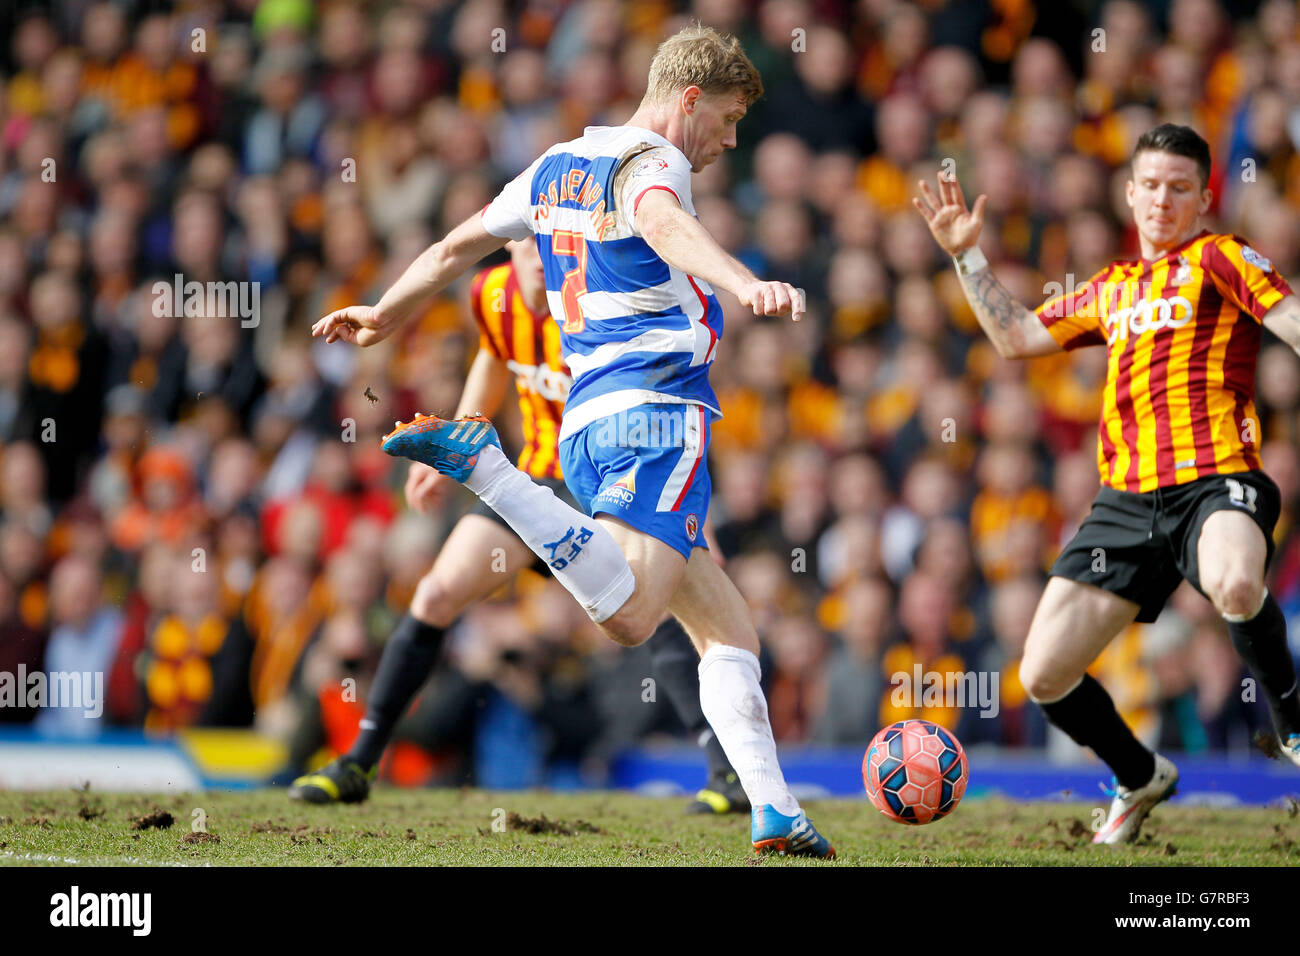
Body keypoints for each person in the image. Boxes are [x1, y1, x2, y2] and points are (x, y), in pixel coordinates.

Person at [314, 24, 834, 857]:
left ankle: (777, 814)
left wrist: (384, 312)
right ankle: (488, 470)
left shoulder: (554, 164)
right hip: (659, 410)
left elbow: (456, 247)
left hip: (585, 424)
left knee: (730, 630)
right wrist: (744, 282)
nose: (729, 141)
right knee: (632, 617)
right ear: (688, 99)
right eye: (729, 120)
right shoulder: (653, 163)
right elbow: (661, 223)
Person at [913, 123, 1300, 845]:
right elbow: (1016, 337)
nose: (1162, 200)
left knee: (1235, 583)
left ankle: (1293, 721)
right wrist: (967, 256)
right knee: (1043, 673)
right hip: (1125, 504)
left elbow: (1291, 319)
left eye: (1179, 188)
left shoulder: (1223, 257)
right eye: (1150, 185)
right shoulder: (1112, 287)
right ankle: (1137, 773)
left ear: (1202, 199)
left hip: (1216, 480)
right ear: (1130, 194)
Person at [291, 238, 750, 814]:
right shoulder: (492, 293)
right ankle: (359, 761)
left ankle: (725, 774)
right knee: (435, 594)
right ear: (511, 246)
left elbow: (665, 398)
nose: (549, 255)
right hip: (531, 483)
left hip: (607, 487)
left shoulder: (597, 308)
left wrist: (685, 514)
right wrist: (459, 433)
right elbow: (494, 355)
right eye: (535, 242)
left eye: (557, 243)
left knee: (654, 613)